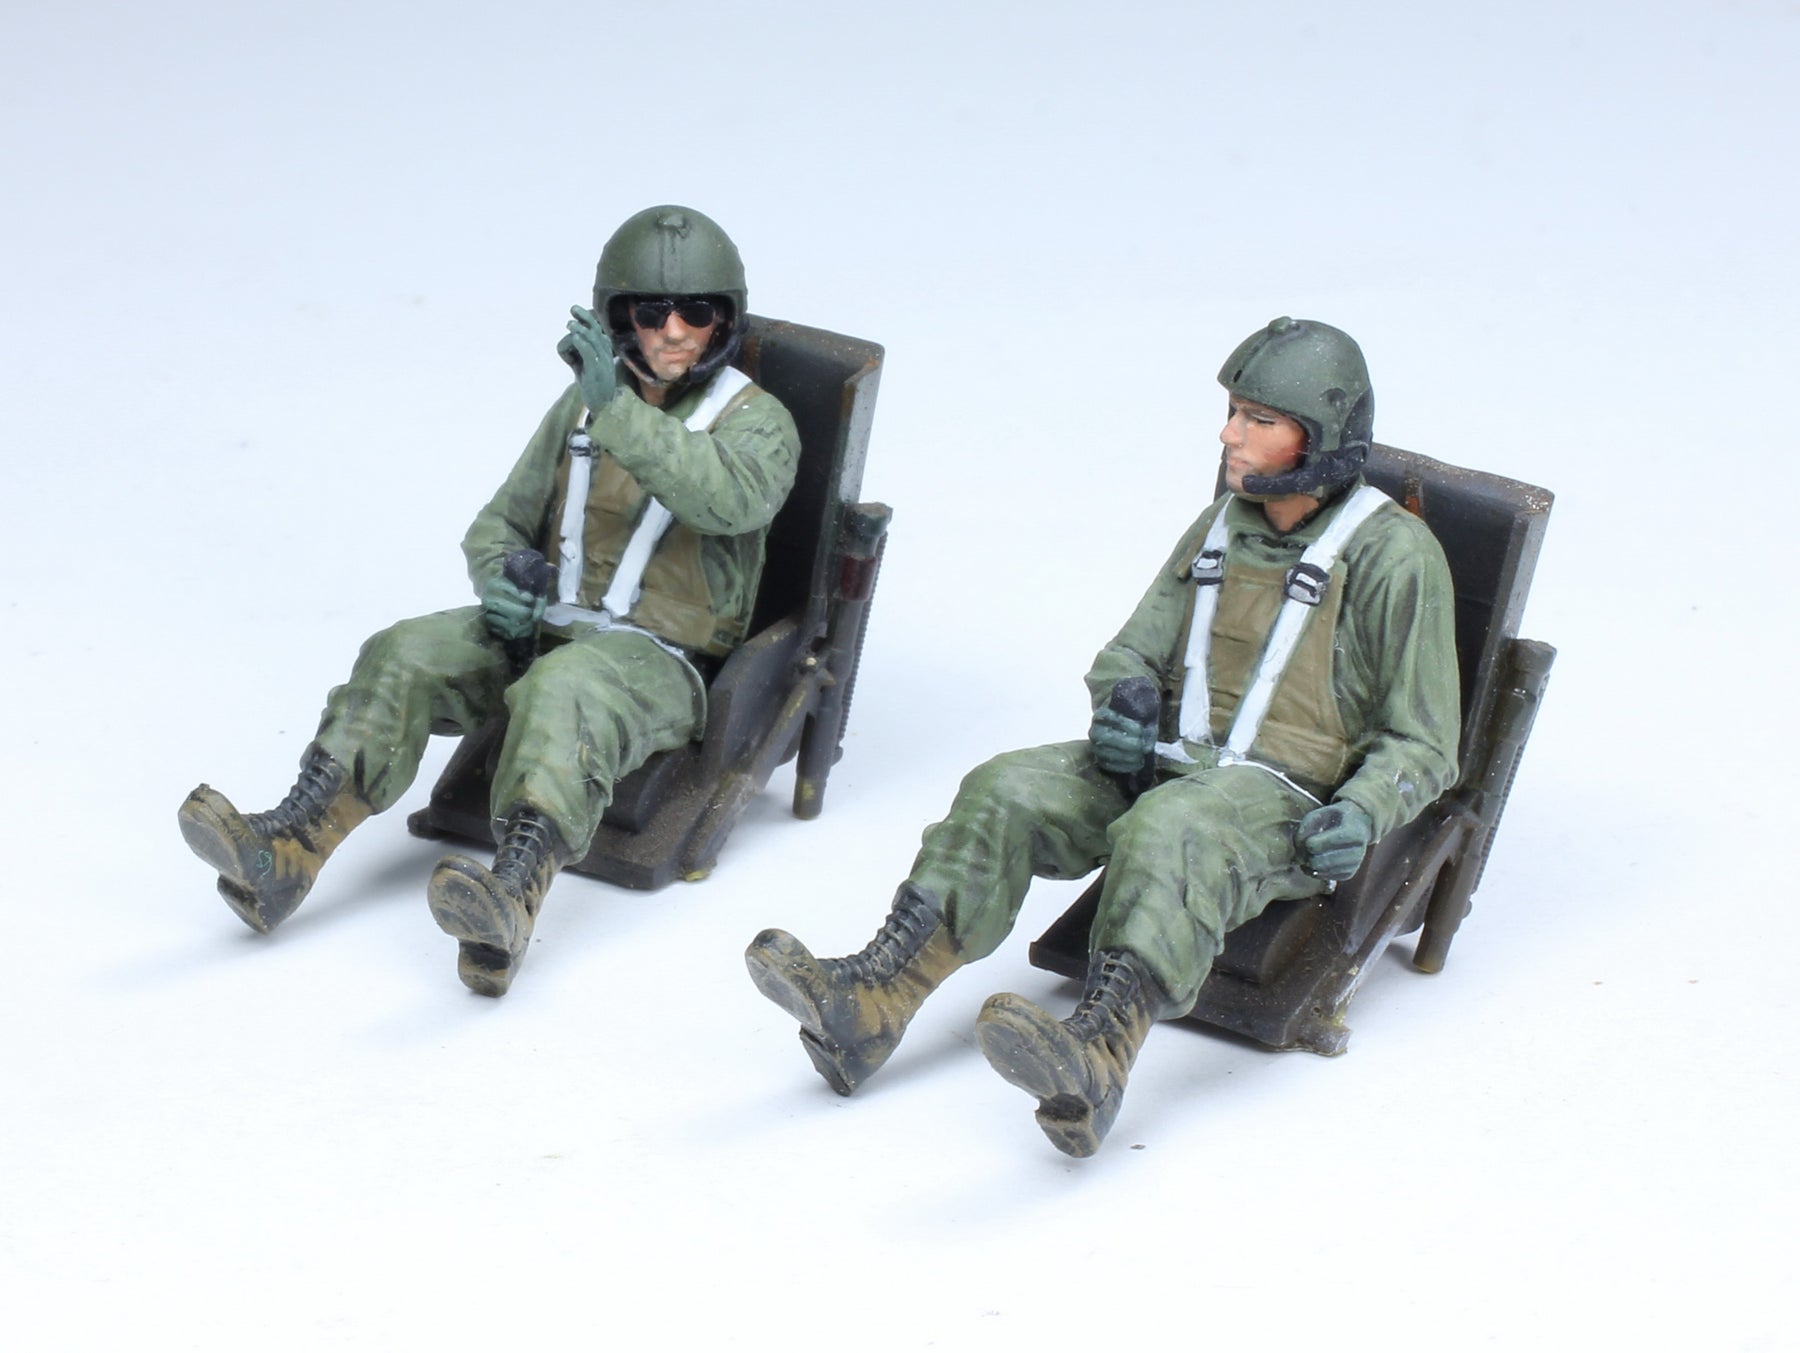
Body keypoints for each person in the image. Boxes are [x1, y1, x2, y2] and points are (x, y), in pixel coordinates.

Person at [745, 317, 1460, 1156]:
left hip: (1281, 804)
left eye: (1259, 419)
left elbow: (1423, 742)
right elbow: (1132, 650)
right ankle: (872, 999)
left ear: (1323, 438)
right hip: (1165, 763)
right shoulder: (1221, 525)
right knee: (1006, 788)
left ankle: (1099, 1055)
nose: (1229, 434)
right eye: (1233, 412)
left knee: (1173, 827)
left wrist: (1365, 809)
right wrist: (1122, 700)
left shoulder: (1395, 558)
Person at [181, 205, 800, 997]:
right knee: (403, 652)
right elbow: (500, 521)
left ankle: (509, 897)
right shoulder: (582, 406)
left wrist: (619, 411)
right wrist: (502, 577)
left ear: (726, 320)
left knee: (564, 688)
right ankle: (289, 845)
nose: (674, 331)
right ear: (617, 318)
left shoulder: (759, 425)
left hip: (659, 659)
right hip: (545, 625)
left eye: (697, 312)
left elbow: (728, 499)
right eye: (650, 312)